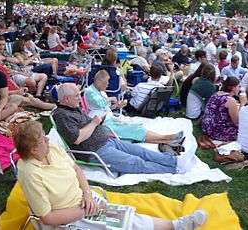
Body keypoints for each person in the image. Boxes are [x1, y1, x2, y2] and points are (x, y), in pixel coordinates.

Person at [14, 120, 207, 229]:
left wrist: (87, 195)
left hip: (84, 201)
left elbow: (77, 170)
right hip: (67, 218)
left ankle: (176, 225)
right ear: (32, 149)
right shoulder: (30, 172)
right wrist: (85, 210)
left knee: (125, 217)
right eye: (42, 139)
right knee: (121, 224)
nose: (48, 139)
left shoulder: (52, 149)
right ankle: (177, 225)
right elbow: (47, 218)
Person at [52, 83, 181, 174]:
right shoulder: (62, 115)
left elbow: (85, 125)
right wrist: (94, 123)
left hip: (107, 140)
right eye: (77, 96)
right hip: (96, 150)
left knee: (141, 152)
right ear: (67, 99)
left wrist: (97, 121)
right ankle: (174, 169)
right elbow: (77, 139)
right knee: (136, 162)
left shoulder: (73, 107)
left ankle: (173, 161)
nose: (80, 99)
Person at [84, 71, 183, 145]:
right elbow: (99, 103)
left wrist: (117, 105)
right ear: (99, 81)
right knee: (134, 129)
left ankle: (167, 140)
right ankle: (167, 138)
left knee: (136, 128)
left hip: (109, 118)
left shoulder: (100, 91)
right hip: (104, 123)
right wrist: (111, 99)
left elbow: (105, 107)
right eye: (106, 82)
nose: (108, 84)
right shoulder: (89, 91)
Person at [201, 77, 242, 142]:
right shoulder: (230, 100)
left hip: (206, 126)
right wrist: (242, 104)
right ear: (233, 88)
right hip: (216, 131)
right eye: (238, 86)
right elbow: (237, 122)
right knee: (244, 130)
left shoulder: (217, 93)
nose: (240, 89)